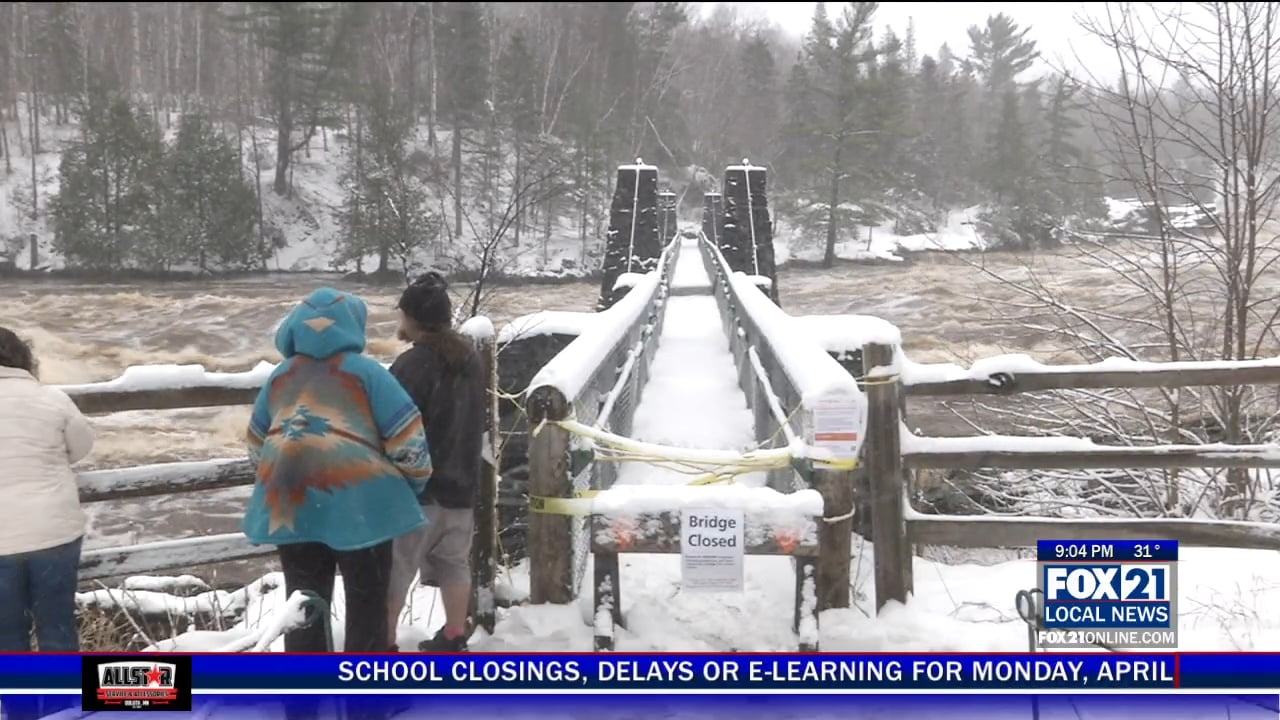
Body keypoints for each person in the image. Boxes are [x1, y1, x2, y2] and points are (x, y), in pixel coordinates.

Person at [242, 288, 433, 658]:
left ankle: (303, 703)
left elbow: (256, 444)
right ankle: (364, 703)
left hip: (291, 505)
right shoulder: (367, 374)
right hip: (362, 507)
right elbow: (408, 442)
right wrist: (411, 488)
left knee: (303, 607)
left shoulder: (281, 377)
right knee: (367, 608)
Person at [385, 272, 486, 652]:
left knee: (398, 571)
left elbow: (390, 421)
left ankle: (385, 642)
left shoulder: (413, 365)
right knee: (454, 563)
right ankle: (454, 635)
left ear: (412, 318)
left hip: (419, 488)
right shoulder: (471, 360)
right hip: (462, 484)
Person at [0, 326, 95, 652]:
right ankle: (60, 701)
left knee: (6, 630)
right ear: (24, 359)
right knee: (56, 624)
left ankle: (20, 702)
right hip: (53, 532)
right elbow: (82, 446)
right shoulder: (52, 399)